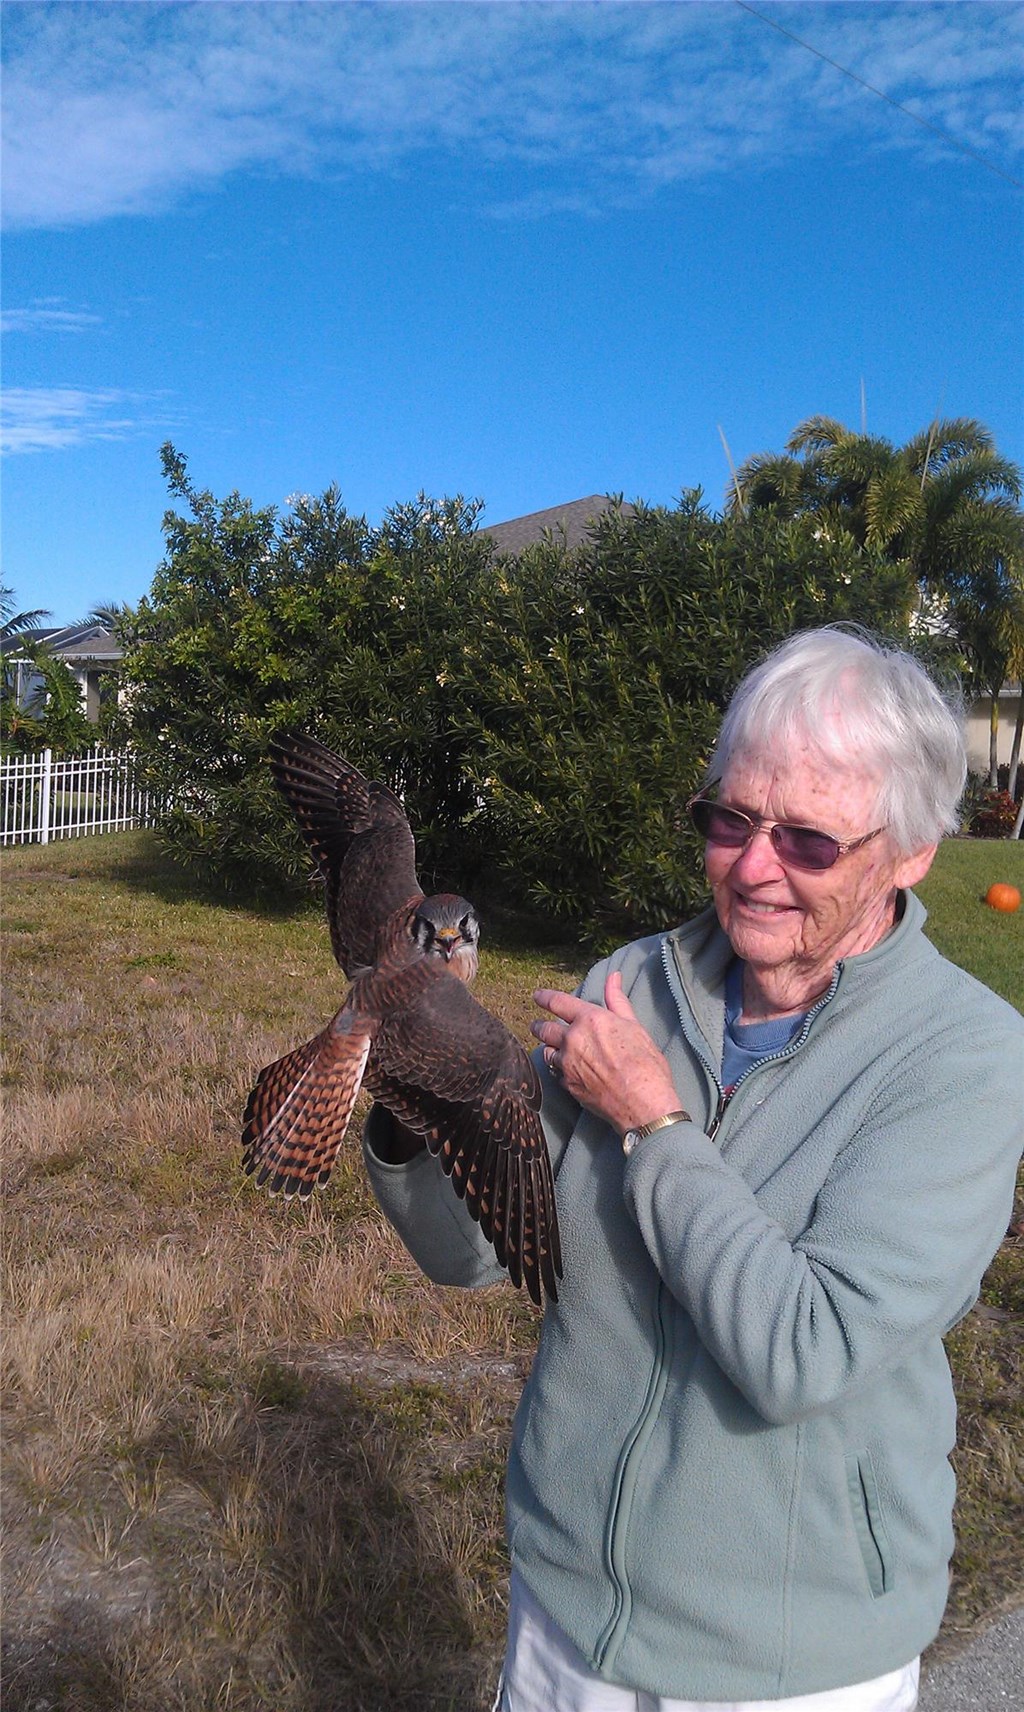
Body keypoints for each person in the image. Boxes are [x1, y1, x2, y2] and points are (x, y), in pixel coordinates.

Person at [362, 626, 1023, 1711]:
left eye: (807, 839)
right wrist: (407, 1096)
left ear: (908, 850)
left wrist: (656, 1125)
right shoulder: (635, 985)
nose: (753, 866)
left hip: (784, 1662)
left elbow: (804, 1349)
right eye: (730, 819)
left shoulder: (964, 1056)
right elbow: (475, 1250)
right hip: (561, 1613)